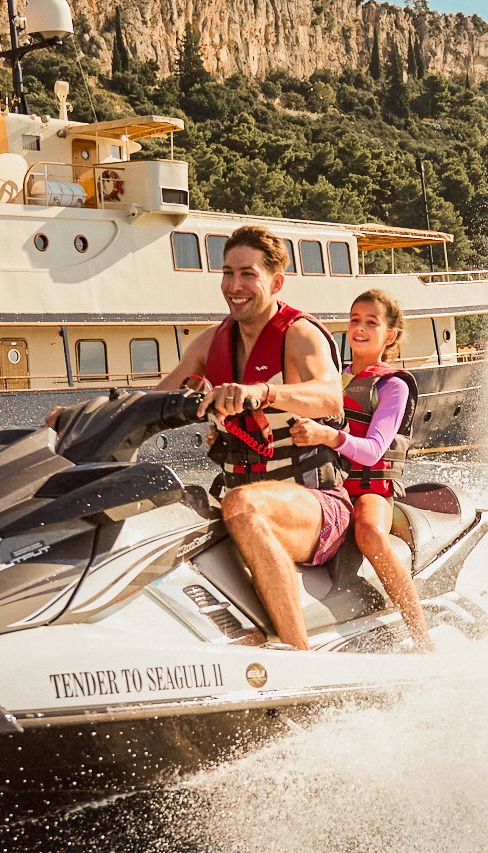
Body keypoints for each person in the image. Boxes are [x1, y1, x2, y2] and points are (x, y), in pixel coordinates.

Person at [155, 224, 346, 649]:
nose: (234, 286)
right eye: (227, 273)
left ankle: (299, 659)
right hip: (241, 501)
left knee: (241, 505)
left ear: (276, 282)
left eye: (247, 274)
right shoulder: (211, 342)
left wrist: (264, 392)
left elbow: (330, 396)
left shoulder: (299, 334)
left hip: (316, 506)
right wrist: (85, 415)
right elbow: (156, 396)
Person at [289, 290, 430, 647]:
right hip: (327, 483)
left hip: (371, 488)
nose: (360, 328)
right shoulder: (330, 379)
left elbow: (371, 452)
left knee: (368, 532)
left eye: (371, 322)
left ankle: (421, 635)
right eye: (355, 320)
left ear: (390, 335)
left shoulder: (393, 385)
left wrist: (327, 435)